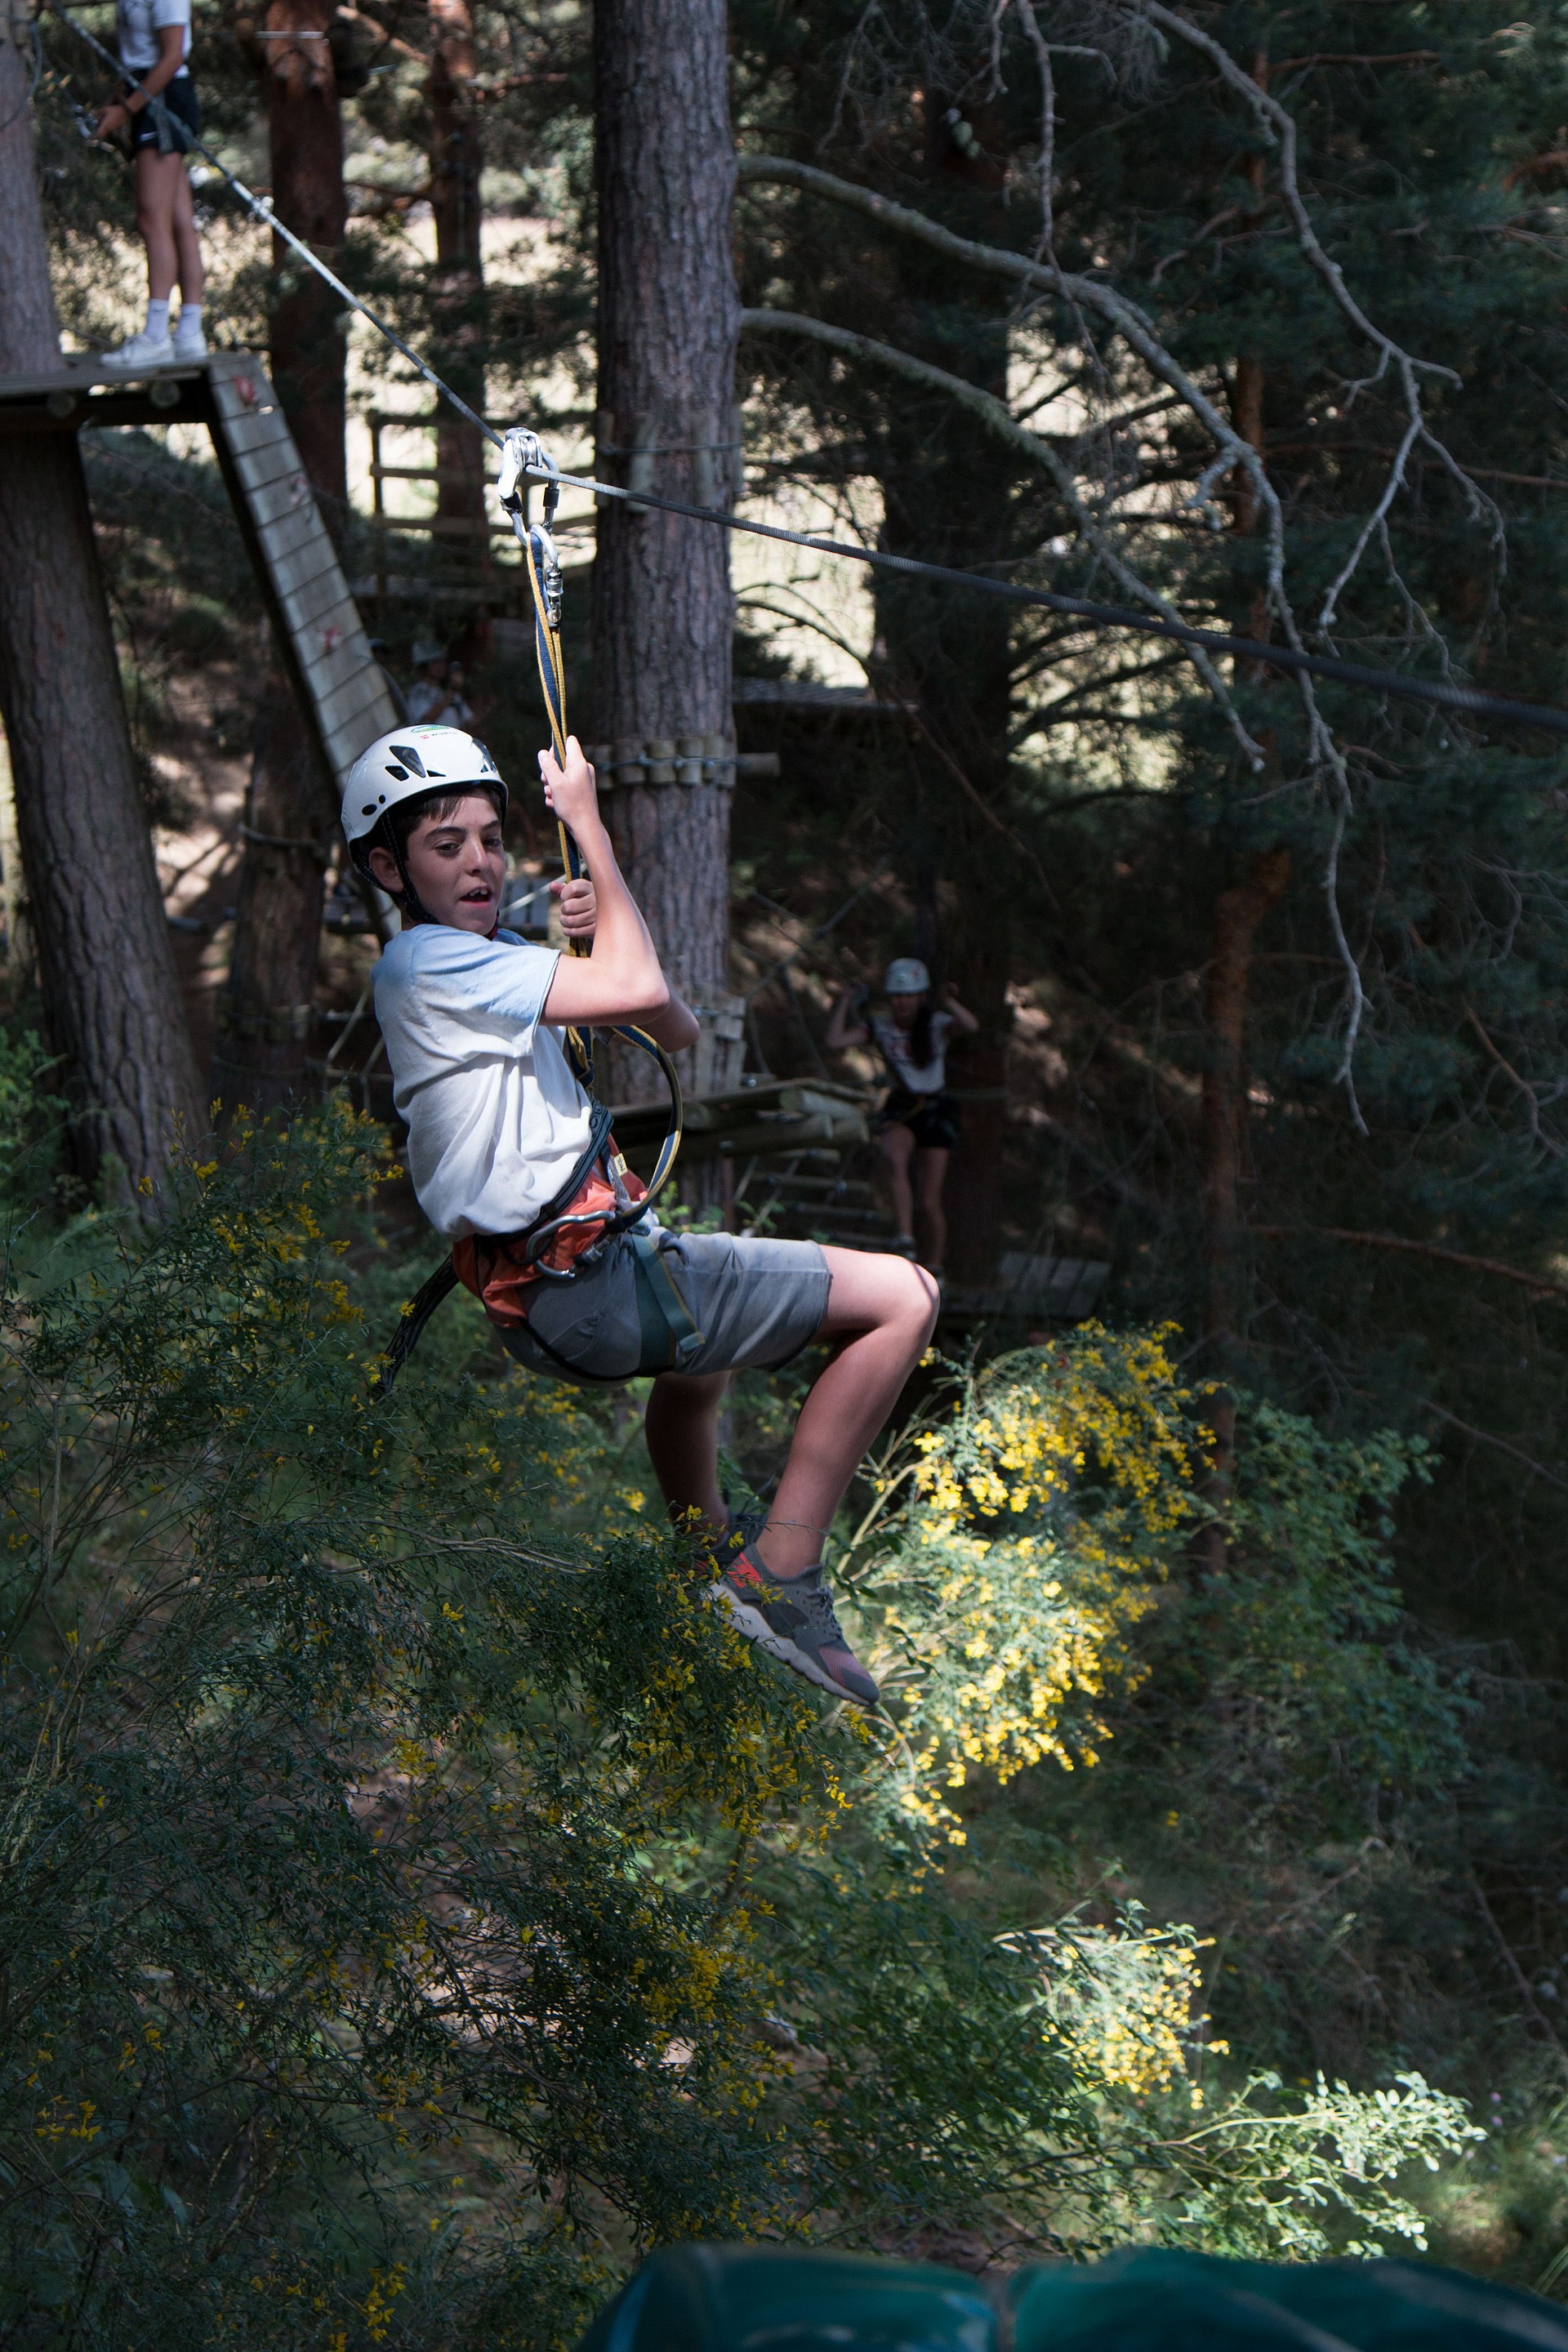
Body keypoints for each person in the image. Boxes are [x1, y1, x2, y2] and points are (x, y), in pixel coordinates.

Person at [347, 724, 938, 1711]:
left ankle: (708, 1562)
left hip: (572, 1286)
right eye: (447, 845)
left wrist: (597, 911)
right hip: (588, 1286)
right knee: (907, 1299)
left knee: (697, 1373)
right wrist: (589, 826)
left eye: (492, 837)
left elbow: (674, 1026)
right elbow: (646, 991)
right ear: (387, 867)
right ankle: (781, 1573)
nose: (481, 860)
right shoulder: (428, 968)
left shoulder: (487, 966)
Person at [827, 957, 978, 1279]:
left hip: (935, 1108)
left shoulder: (936, 1024)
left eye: (909, 995)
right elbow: (835, 1041)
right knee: (894, 1159)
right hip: (901, 1105)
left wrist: (949, 1000)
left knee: (929, 1200)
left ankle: (935, 1265)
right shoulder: (880, 1027)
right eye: (897, 996)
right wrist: (845, 1000)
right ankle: (905, 1236)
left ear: (921, 997)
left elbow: (970, 1026)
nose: (902, 1002)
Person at [93, 0, 206, 370]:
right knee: (176, 219)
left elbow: (173, 57)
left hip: (164, 99)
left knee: (151, 218)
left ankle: (156, 337)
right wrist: (117, 100)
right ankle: (189, 333)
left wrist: (127, 110)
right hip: (145, 94)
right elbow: (137, 58)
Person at [404, 642, 474, 727]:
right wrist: (450, 693)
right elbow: (427, 718)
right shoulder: (418, 692)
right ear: (424, 666)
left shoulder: (446, 689)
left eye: (443, 661)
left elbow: (469, 720)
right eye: (436, 662)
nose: (442, 665)